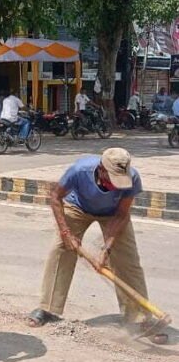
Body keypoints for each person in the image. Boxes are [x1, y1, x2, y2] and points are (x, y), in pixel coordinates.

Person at [26, 148, 168, 345]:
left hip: (113, 214)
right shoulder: (79, 170)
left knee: (127, 260)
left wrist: (106, 249)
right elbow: (55, 197)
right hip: (77, 208)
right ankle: (48, 308)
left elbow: (122, 214)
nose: (117, 185)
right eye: (112, 179)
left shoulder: (132, 178)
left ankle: (140, 318)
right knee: (60, 249)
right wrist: (66, 233)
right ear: (101, 170)